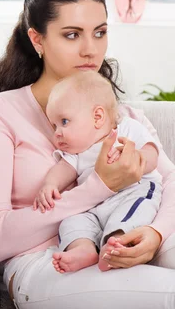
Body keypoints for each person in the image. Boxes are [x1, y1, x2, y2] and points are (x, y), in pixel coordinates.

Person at [0, 0, 175, 309]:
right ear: (37, 40)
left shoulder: (123, 117)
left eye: (99, 33)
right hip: (49, 261)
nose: (90, 50)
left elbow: (170, 183)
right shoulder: (0, 112)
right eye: (72, 35)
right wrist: (100, 186)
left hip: (132, 234)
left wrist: (155, 234)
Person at [32, 71, 162, 274]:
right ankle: (83, 249)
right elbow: (61, 170)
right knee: (71, 221)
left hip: (133, 191)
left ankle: (117, 245)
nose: (57, 132)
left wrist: (136, 159)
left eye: (64, 122)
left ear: (98, 117)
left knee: (131, 213)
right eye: (54, 125)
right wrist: (49, 186)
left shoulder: (127, 129)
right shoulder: (75, 152)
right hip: (94, 207)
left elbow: (152, 154)